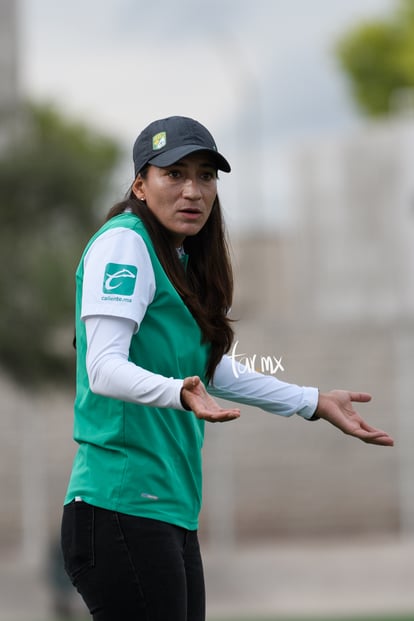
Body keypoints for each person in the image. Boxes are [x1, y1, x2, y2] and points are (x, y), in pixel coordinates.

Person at [61, 115, 394, 621]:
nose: (193, 190)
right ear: (140, 184)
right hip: (119, 504)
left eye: (206, 175)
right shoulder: (125, 243)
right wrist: (178, 392)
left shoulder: (181, 260)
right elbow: (105, 368)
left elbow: (211, 371)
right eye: (174, 174)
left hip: (165, 506)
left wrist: (313, 401)